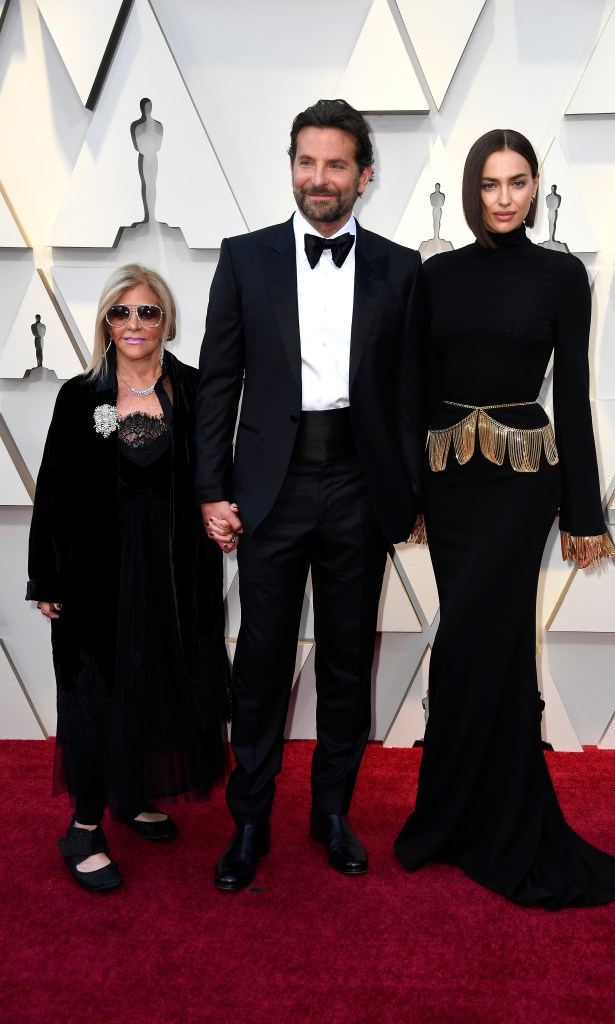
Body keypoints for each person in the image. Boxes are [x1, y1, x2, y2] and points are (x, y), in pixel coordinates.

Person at [394, 130, 615, 909]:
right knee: (473, 644)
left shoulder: (562, 275)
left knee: (478, 638)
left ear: (536, 188)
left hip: (521, 483)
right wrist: (411, 496)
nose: (504, 197)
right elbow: (415, 387)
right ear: (472, 189)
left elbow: (573, 396)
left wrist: (582, 511)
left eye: (518, 182)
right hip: (451, 483)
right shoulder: (436, 276)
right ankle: (454, 818)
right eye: (491, 183)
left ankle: (491, 819)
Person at [196, 98, 425, 891]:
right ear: (290, 166)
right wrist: (209, 489)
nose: (317, 178)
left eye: (334, 164)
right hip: (270, 488)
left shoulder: (402, 267)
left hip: (360, 486)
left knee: (345, 662)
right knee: (258, 660)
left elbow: (407, 393)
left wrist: (409, 492)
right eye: (305, 161)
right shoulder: (244, 257)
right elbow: (218, 381)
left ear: (364, 175)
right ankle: (249, 818)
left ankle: (332, 812)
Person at [27, 264, 229, 892]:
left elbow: (216, 471)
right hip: (98, 579)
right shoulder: (81, 395)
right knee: (96, 693)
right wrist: (48, 578)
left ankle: (132, 794)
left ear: (167, 321)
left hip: (175, 577)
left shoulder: (193, 390)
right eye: (122, 313)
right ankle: (84, 826)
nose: (134, 324)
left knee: (162, 685)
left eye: (148, 312)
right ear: (106, 324)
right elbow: (55, 493)